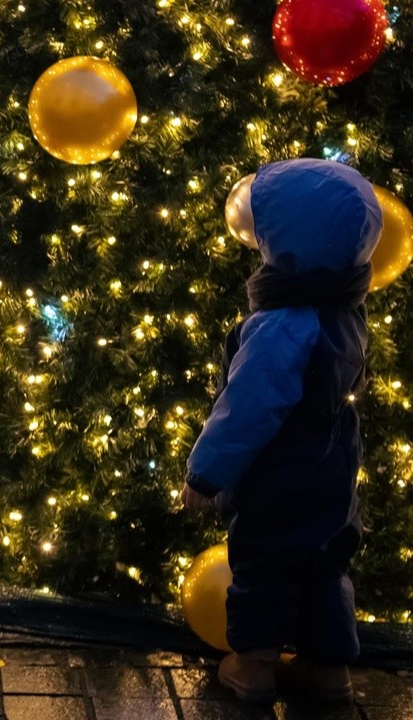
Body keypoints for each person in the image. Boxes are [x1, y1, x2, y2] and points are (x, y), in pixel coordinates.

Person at [181, 159, 382, 704]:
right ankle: (328, 670)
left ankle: (253, 667)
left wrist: (206, 473)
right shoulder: (348, 308)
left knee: (265, 559)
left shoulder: (282, 323)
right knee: (325, 559)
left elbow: (250, 406)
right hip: (334, 461)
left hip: (282, 467)